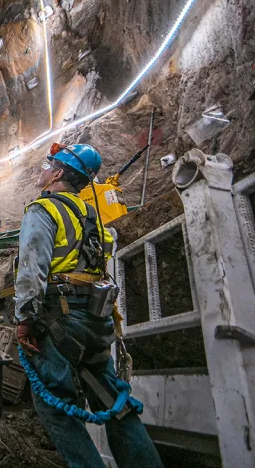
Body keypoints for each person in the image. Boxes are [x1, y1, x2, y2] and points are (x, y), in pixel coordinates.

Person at [14, 144, 163, 468]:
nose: (43, 169)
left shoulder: (43, 210)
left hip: (60, 318)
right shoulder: (90, 215)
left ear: (57, 173)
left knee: (54, 406)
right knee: (114, 401)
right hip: (96, 320)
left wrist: (25, 319)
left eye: (48, 164)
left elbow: (32, 268)